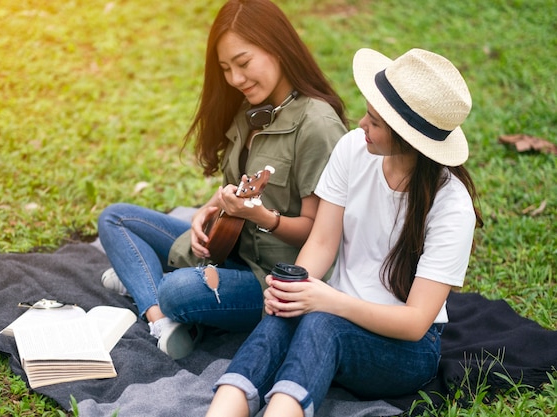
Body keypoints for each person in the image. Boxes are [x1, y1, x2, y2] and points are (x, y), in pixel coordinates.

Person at [205, 47, 484, 417]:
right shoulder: (354, 148)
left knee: (322, 323)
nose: (361, 124)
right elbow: (321, 241)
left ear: (410, 140)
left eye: (375, 122)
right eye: (367, 111)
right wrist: (295, 290)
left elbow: (416, 323)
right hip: (332, 314)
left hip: (405, 350)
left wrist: (327, 301)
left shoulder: (451, 205)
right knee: (284, 317)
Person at [97, 0, 348, 360]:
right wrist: (208, 208)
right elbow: (241, 188)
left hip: (269, 278)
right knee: (115, 217)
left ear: (278, 47)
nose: (235, 79)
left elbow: (320, 233)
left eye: (243, 63)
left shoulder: (317, 125)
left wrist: (263, 218)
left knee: (177, 291)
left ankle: (150, 291)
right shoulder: (250, 109)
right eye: (226, 68)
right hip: (227, 249)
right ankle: (162, 321)